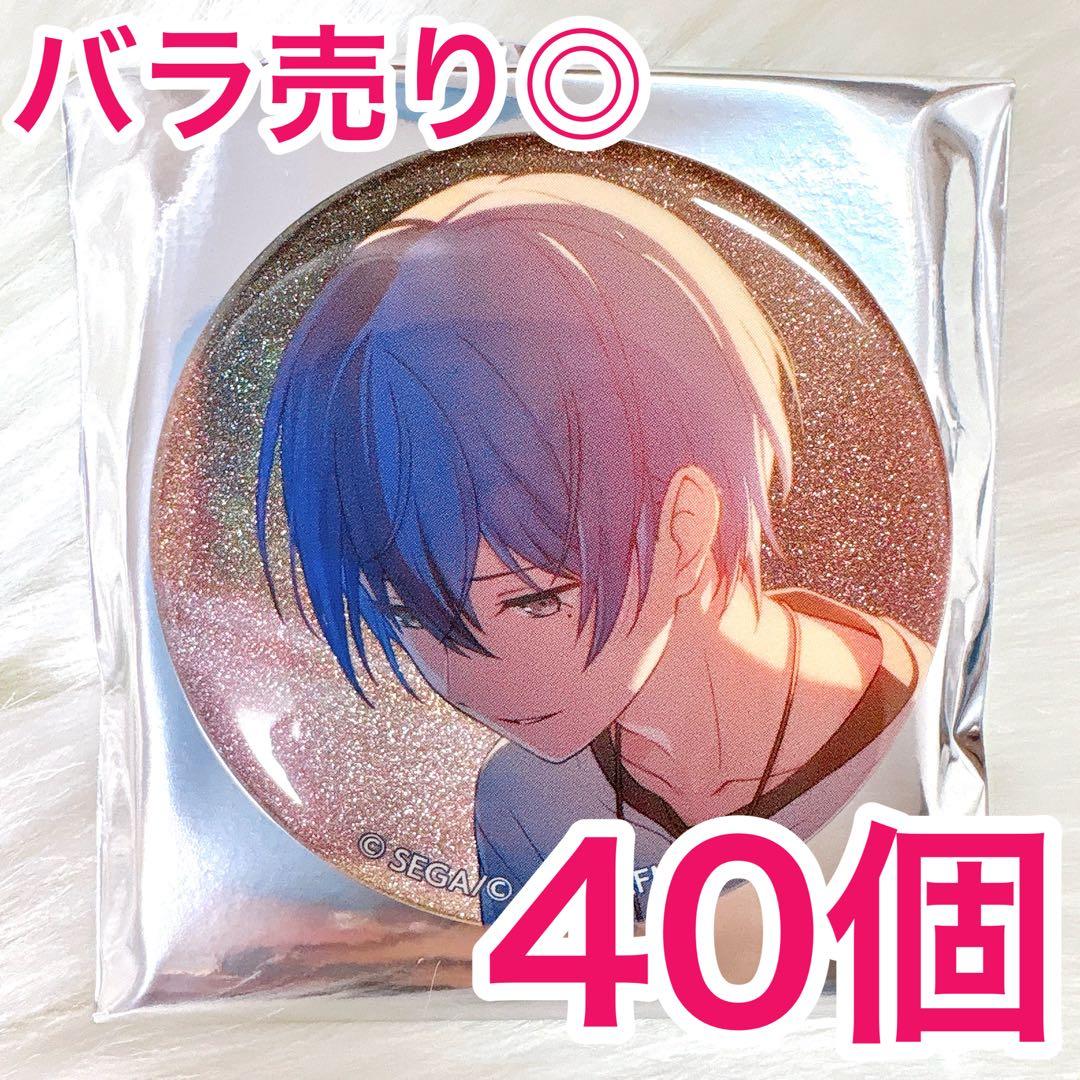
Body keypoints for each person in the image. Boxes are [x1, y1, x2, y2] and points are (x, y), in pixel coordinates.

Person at [256, 172, 931, 924]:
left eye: (534, 600)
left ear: (683, 524)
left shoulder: (921, 724)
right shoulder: (528, 808)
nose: (474, 681)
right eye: (409, 614)